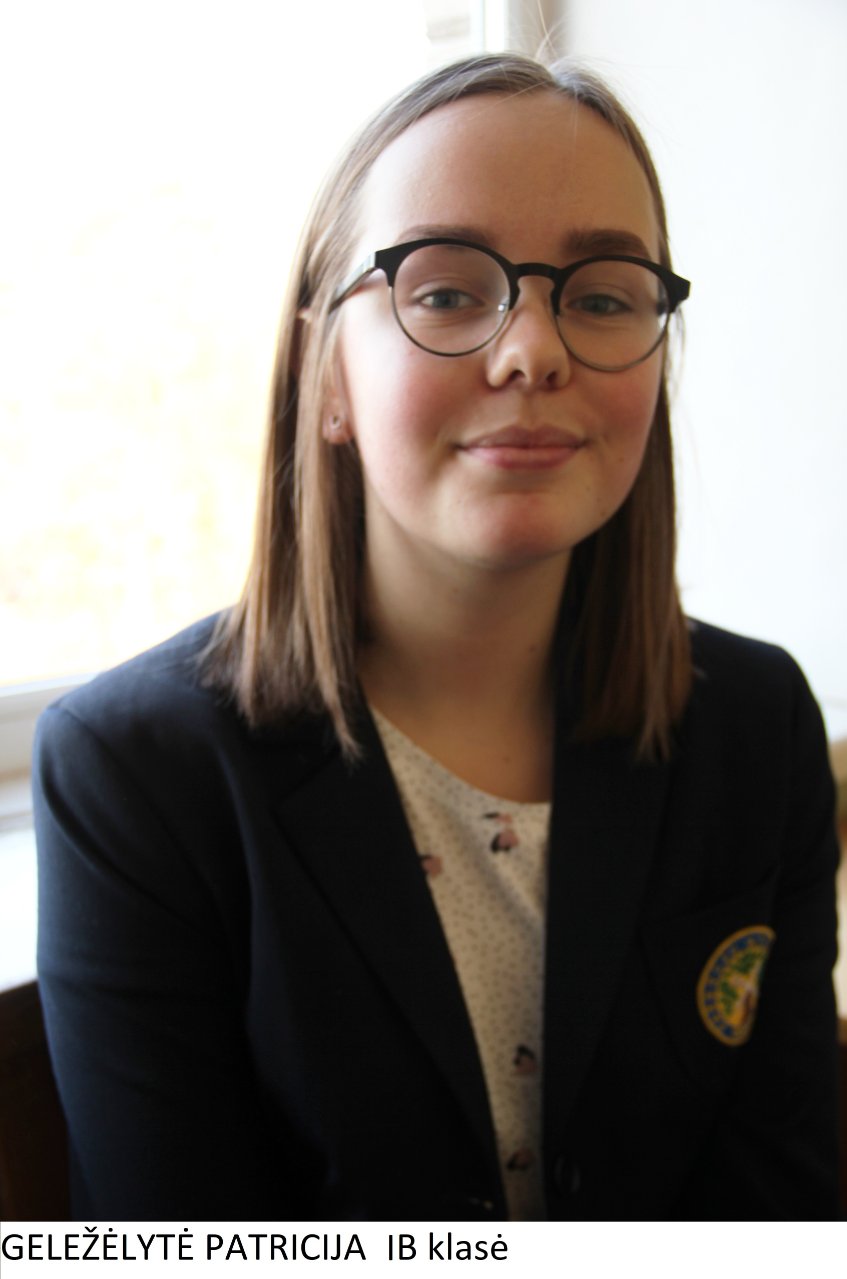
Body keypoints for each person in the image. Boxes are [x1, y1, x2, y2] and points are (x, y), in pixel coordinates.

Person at [33, 53, 840, 1222]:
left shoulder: (758, 727)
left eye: (601, 296)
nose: (533, 350)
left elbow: (780, 1217)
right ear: (327, 375)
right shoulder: (134, 773)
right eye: (450, 292)